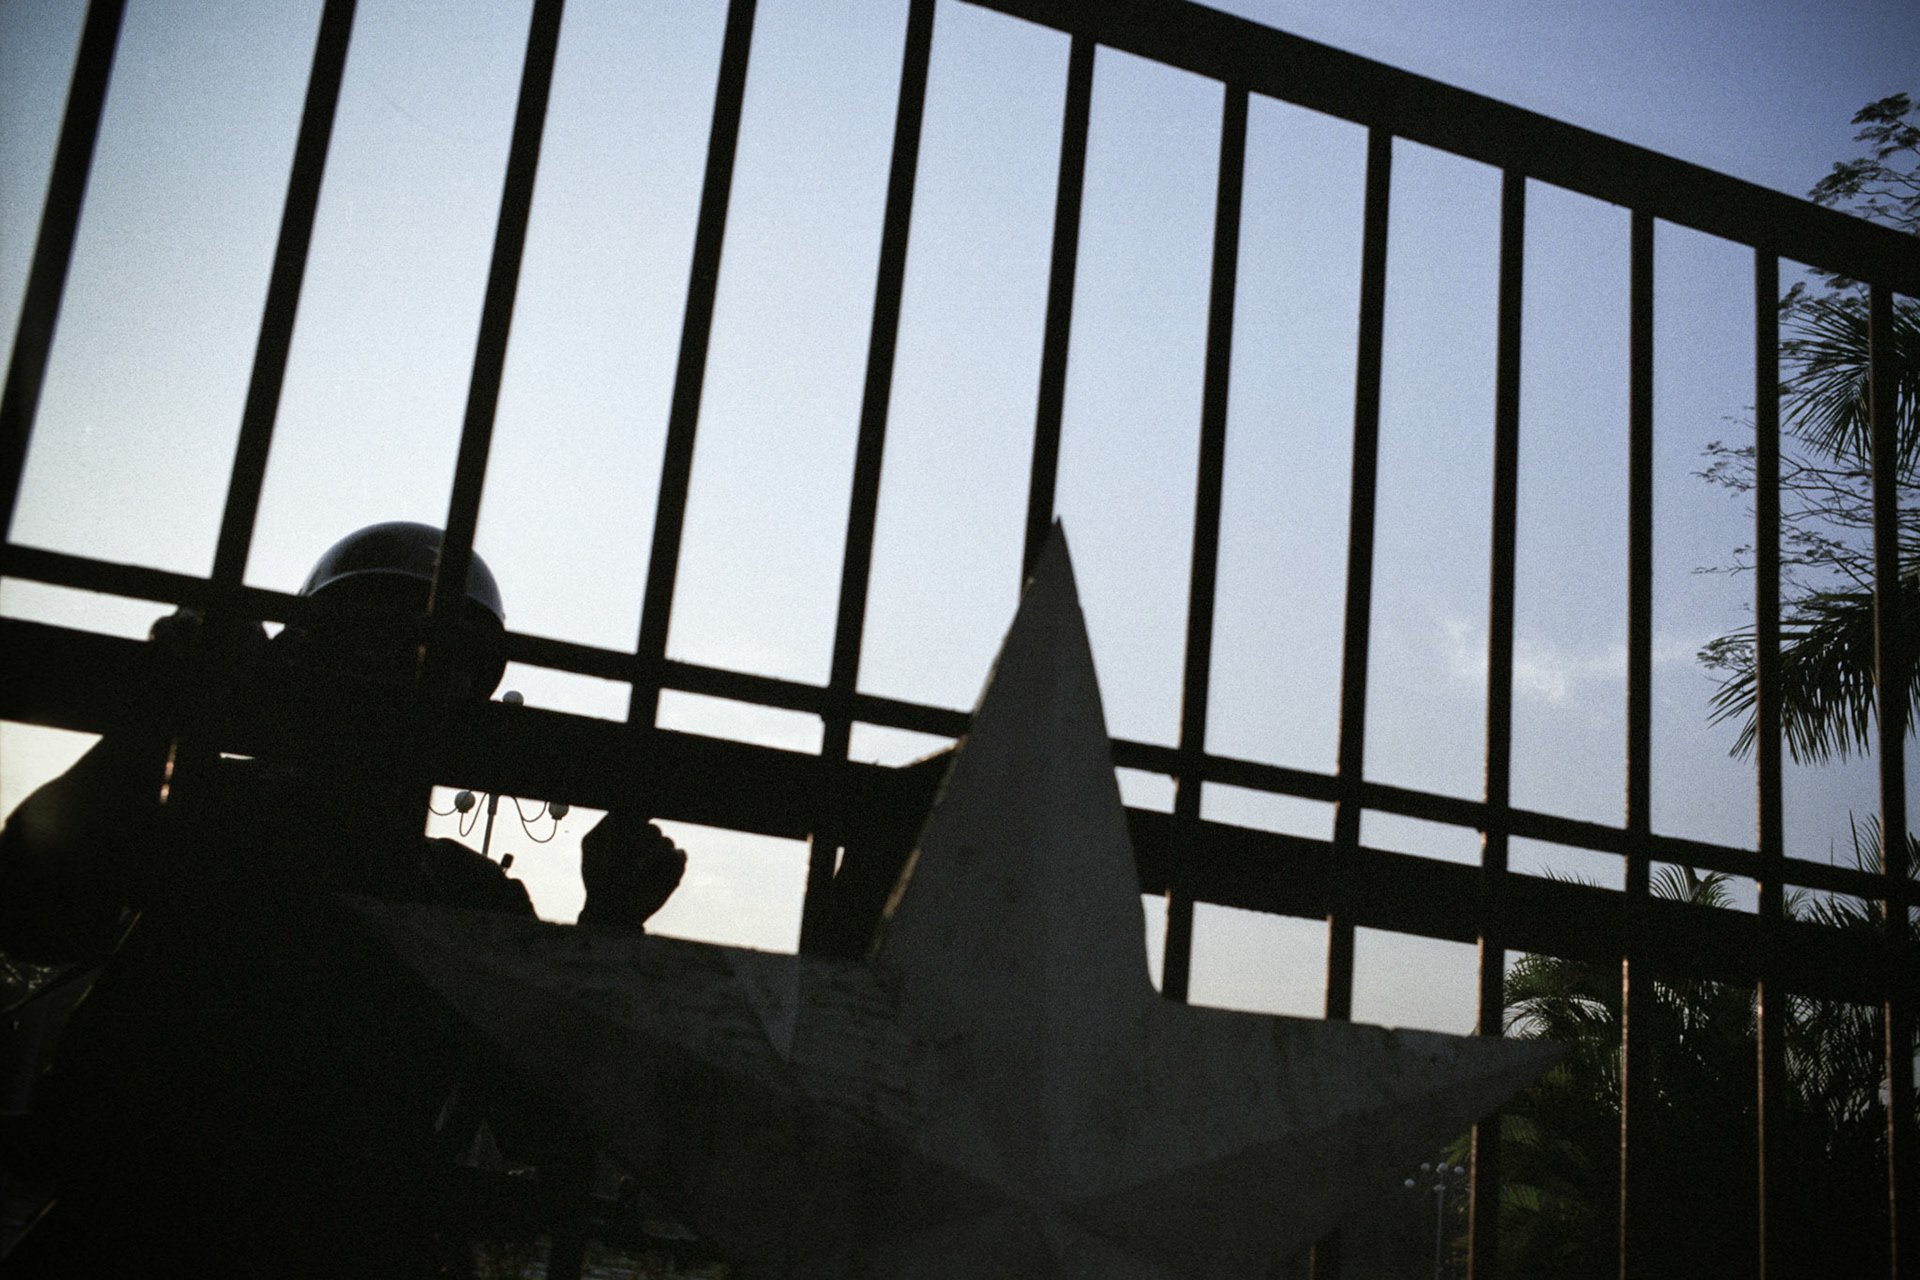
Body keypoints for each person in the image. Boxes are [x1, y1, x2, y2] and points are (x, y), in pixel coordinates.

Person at [0, 522, 685, 1276]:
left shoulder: (219, 813)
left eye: (435, 661)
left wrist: (167, 712)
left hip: (147, 1233)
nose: (405, 676)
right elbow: (31, 909)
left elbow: (548, 1125)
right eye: (377, 645)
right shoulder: (448, 891)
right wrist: (609, 930)